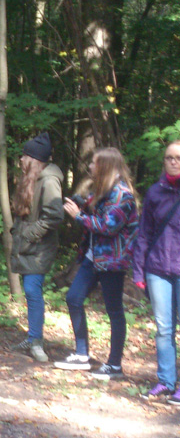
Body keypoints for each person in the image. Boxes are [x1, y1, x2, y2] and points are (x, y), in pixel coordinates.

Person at [53, 148, 138, 379]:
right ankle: (82, 354)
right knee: (73, 298)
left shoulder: (122, 195)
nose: (90, 166)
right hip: (93, 258)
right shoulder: (102, 190)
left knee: (114, 311)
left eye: (94, 163)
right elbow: (96, 212)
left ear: (106, 167)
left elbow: (108, 226)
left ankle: (114, 365)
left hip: (112, 261)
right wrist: (83, 206)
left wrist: (78, 216)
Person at [9, 132, 64, 362]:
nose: (21, 160)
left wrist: (29, 234)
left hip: (39, 248)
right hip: (28, 247)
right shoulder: (31, 178)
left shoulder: (49, 181)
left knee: (32, 290)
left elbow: (55, 216)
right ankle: (32, 337)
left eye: (25, 156)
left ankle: (36, 342)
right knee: (30, 291)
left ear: (34, 160)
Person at [132, 140, 180, 404]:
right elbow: (144, 234)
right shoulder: (154, 193)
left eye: (178, 158)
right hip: (158, 269)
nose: (173, 162)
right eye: (169, 158)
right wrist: (138, 271)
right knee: (163, 328)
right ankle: (165, 382)